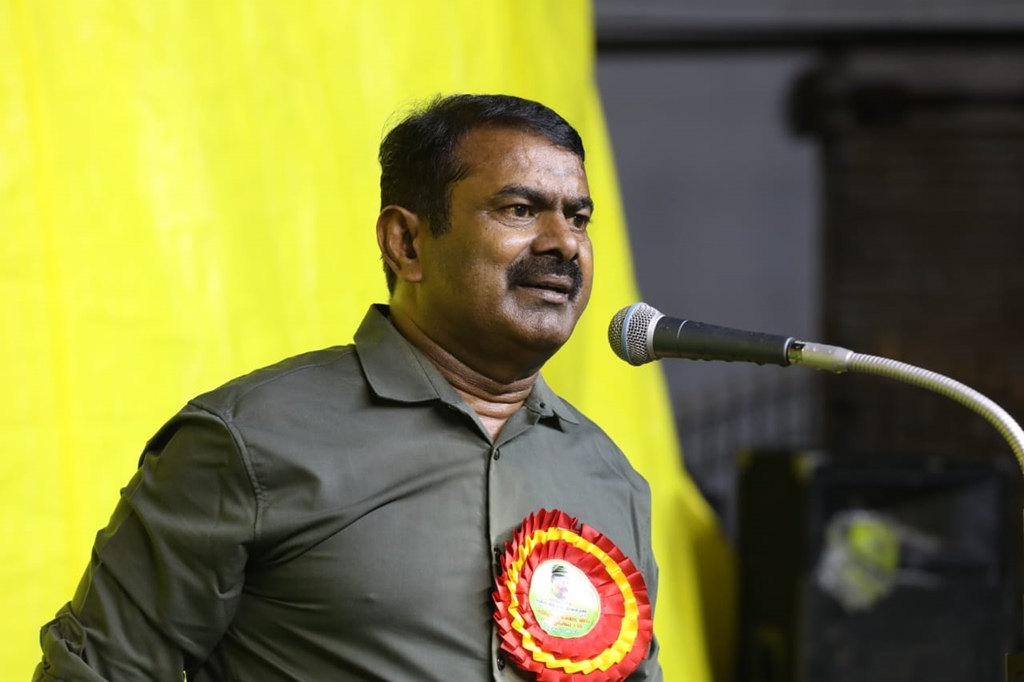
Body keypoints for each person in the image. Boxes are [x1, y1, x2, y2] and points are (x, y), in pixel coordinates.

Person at [34, 94, 662, 681]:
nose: (563, 243)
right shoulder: (249, 441)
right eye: (519, 210)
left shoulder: (609, 477)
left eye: (578, 218)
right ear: (406, 243)